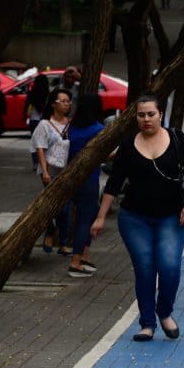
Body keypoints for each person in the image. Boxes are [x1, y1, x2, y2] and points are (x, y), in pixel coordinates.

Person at [91, 93, 184, 342]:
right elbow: (114, 184)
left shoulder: (177, 139)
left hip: (172, 216)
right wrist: (100, 217)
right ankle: (147, 323)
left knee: (169, 266)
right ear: (136, 117)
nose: (146, 119)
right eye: (141, 115)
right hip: (134, 218)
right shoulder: (128, 145)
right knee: (146, 269)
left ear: (160, 114)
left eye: (151, 114)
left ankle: (165, 312)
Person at [66, 93, 104, 278]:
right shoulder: (97, 128)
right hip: (90, 177)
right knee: (85, 219)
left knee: (87, 215)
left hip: (72, 177)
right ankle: (76, 260)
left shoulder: (72, 126)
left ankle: (84, 255)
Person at [32, 88, 73, 254]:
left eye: (68, 101)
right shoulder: (44, 124)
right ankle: (50, 231)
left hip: (66, 170)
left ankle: (63, 243)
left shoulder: (70, 124)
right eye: (62, 101)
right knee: (52, 204)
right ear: (53, 104)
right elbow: (40, 148)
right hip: (50, 169)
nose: (66, 104)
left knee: (66, 207)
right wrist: (45, 171)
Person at [25, 74, 50, 169]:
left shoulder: (32, 93)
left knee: (35, 142)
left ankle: (36, 163)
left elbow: (27, 107)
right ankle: (44, 161)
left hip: (34, 120)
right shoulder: (48, 94)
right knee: (45, 142)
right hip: (45, 120)